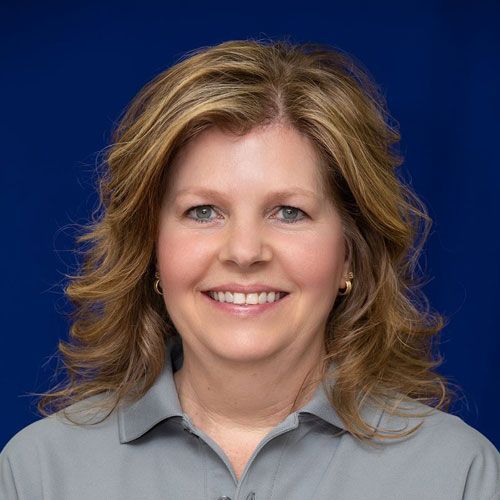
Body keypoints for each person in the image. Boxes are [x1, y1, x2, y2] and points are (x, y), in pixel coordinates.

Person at [1, 39, 499, 500]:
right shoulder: (38, 473)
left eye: (289, 212)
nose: (243, 252)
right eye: (203, 212)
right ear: (151, 249)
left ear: (350, 253)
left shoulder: (458, 475)